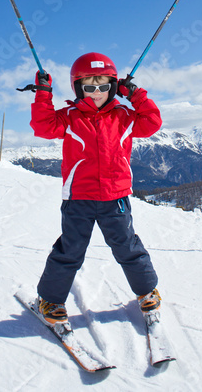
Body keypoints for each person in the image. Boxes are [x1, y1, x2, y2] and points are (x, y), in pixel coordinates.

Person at [30, 52, 162, 327]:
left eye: (104, 86)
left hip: (116, 198)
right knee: (70, 250)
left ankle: (147, 292)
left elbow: (152, 122)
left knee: (128, 247)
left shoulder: (125, 116)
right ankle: (50, 300)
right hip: (79, 198)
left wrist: (135, 94)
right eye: (89, 87)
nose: (97, 93)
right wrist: (43, 93)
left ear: (114, 87)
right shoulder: (68, 117)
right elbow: (43, 127)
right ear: (78, 88)